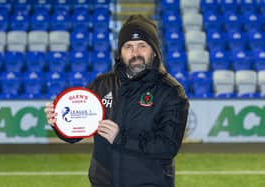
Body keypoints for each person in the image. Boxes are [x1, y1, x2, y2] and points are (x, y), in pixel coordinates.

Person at [45, 14, 189, 187]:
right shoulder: (102, 84)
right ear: (120, 53)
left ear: (154, 51)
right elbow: (76, 133)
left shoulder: (171, 92)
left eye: (142, 46)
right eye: (128, 46)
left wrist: (121, 138)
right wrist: (59, 122)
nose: (135, 53)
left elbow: (168, 146)